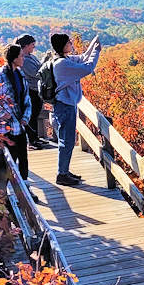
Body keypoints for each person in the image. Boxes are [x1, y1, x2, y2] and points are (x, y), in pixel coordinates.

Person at [49, 32, 102, 186]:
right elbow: (87, 67)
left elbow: (83, 57)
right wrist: (97, 51)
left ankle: (64, 171)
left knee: (67, 140)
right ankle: (62, 174)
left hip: (66, 104)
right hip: (65, 105)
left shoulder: (63, 59)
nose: (71, 43)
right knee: (67, 141)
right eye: (68, 42)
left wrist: (93, 45)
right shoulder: (62, 64)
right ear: (63, 45)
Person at [0, 44, 33, 181]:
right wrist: (2, 114)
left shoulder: (20, 74)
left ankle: (26, 189)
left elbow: (26, 98)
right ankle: (3, 197)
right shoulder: (0, 75)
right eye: (21, 55)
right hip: (5, 128)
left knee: (23, 160)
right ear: (14, 58)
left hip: (19, 125)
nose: (23, 58)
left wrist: (26, 117)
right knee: (6, 163)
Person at [13, 34, 49, 150]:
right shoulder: (24, 59)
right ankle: (32, 141)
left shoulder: (31, 57)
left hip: (36, 90)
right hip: (30, 91)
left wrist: (45, 60)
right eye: (32, 45)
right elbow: (37, 73)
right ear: (26, 46)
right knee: (31, 116)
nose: (34, 47)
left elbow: (39, 68)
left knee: (35, 114)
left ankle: (35, 138)